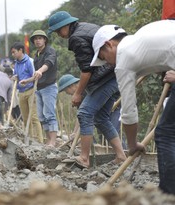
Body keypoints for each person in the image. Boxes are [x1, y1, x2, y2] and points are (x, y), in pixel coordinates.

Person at [90, 20, 175, 194]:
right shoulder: (141, 35)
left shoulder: (123, 58)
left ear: (109, 44)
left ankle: (168, 196)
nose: (108, 63)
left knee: (165, 133)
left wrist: (132, 144)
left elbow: (129, 112)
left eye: (104, 58)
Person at [48, 11, 126, 167]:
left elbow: (87, 70)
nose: (59, 35)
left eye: (58, 31)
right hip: (115, 74)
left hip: (107, 77)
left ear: (66, 26)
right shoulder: (85, 27)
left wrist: (78, 93)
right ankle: (121, 156)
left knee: (84, 113)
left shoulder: (76, 38)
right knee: (101, 118)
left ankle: (84, 158)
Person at [25, 30, 58, 147]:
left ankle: (53, 141)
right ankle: (48, 140)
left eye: (40, 38)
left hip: (49, 87)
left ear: (44, 40)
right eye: (35, 39)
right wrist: (28, 80)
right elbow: (37, 75)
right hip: (39, 87)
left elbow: (48, 63)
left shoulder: (50, 51)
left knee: (49, 114)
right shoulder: (36, 55)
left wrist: (40, 70)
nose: (37, 40)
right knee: (41, 116)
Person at [10, 42, 43, 143]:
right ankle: (29, 140)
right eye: (12, 53)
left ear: (20, 50)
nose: (13, 54)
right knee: (25, 118)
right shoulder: (16, 64)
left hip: (31, 90)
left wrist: (27, 81)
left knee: (33, 117)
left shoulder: (29, 61)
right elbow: (15, 75)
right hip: (21, 92)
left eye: (14, 52)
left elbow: (35, 77)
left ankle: (39, 141)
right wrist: (14, 77)